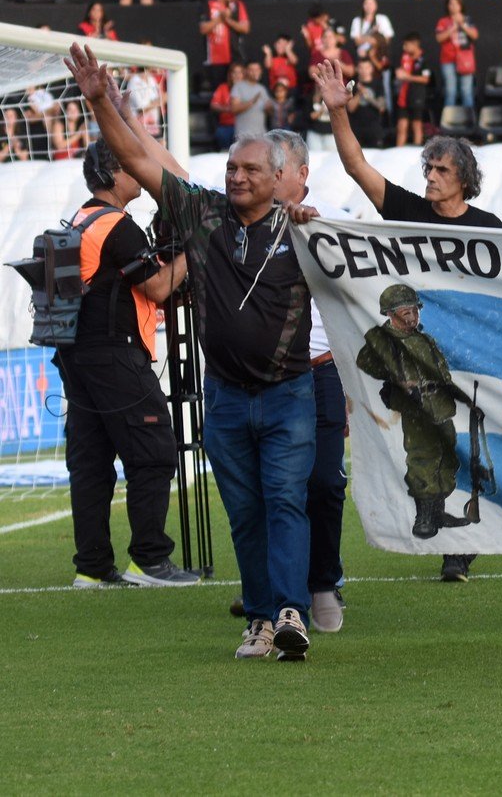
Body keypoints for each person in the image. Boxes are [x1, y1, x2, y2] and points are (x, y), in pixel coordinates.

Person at [65, 44, 318, 662]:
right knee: (245, 513)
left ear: (280, 177)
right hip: (226, 397)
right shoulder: (201, 214)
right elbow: (132, 156)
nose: (236, 177)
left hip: (289, 393)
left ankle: (290, 612)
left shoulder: (310, 228)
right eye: (231, 167)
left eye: (250, 171)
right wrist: (101, 99)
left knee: (285, 500)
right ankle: (261, 618)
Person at [308, 58, 502, 583]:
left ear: (464, 177)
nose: (432, 178)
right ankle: (436, 524)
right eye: (428, 170)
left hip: (470, 356)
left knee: (464, 443)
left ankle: (462, 545)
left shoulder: (491, 229)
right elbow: (356, 166)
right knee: (424, 444)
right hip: (417, 359)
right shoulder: (408, 215)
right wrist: (338, 112)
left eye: (441, 170)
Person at [53, 141, 196, 589]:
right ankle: (150, 561)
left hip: (76, 355)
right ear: (114, 173)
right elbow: (156, 289)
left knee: (91, 460)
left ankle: (92, 568)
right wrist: (191, 246)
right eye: (131, 167)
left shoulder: (80, 218)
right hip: (113, 353)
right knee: (154, 448)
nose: (139, 173)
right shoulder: (117, 226)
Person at [266, 129, 351, 632]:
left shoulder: (328, 223)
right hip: (264, 376)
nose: (266, 179)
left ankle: (323, 581)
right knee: (272, 488)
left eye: (277, 169)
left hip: (319, 370)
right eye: (261, 169)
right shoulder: (239, 227)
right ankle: (273, 589)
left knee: (323, 482)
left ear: (302, 175)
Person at [357, 284, 483, 540]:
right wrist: (396, 376)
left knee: (446, 460)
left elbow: (442, 376)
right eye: (407, 313)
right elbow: (365, 362)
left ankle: (437, 513)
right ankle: (424, 516)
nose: (413, 317)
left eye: (415, 311)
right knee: (423, 459)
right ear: (391, 314)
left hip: (439, 406)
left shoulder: (424, 339)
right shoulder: (383, 340)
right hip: (417, 410)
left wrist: (466, 401)